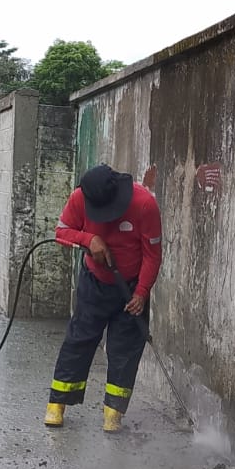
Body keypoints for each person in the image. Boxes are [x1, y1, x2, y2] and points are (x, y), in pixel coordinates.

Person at [45, 163, 162, 432]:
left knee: (124, 351)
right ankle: (57, 404)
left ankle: (113, 413)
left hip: (130, 290)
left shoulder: (145, 204)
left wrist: (141, 292)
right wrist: (89, 239)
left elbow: (152, 255)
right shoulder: (79, 198)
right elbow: (61, 232)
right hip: (94, 284)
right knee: (79, 341)